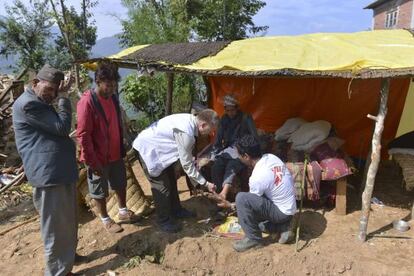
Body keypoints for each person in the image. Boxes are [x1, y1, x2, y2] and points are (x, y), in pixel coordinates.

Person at [13, 64, 79, 275]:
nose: (52, 94)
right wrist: (64, 97)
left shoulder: (38, 101)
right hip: (49, 175)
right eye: (49, 89)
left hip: (57, 172)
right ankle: (57, 272)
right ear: (34, 83)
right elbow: (61, 127)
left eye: (55, 90)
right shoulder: (29, 104)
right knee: (54, 229)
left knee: (66, 222)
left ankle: (67, 261)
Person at [77, 62, 139, 234]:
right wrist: (92, 161)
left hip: (114, 152)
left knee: (120, 182)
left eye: (114, 85)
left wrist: (122, 141)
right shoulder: (87, 102)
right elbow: (83, 134)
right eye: (108, 85)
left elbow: (116, 122)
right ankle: (105, 219)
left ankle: (123, 211)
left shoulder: (112, 97)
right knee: (99, 189)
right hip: (97, 156)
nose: (111, 88)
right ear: (97, 81)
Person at [133, 109, 219, 233]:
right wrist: (205, 183)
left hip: (162, 150)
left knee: (171, 179)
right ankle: (164, 220)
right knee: (161, 186)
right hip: (149, 149)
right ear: (203, 125)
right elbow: (187, 165)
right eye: (211, 130)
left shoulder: (191, 120)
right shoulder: (187, 133)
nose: (211, 133)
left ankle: (176, 210)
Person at [216, 135, 296, 252]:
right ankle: (284, 227)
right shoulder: (271, 157)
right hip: (289, 208)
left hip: (281, 212)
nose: (238, 158)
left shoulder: (257, 176)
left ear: (246, 156)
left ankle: (253, 239)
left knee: (242, 198)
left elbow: (249, 204)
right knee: (257, 222)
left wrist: (230, 205)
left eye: (239, 155)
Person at [211, 94, 258, 200]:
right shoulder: (224, 119)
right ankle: (218, 194)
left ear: (237, 108)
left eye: (232, 110)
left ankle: (224, 194)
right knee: (216, 166)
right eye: (227, 110)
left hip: (242, 149)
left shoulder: (246, 118)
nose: (230, 113)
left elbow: (254, 137)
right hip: (228, 150)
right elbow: (218, 138)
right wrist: (214, 155)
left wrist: (248, 150)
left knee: (231, 166)